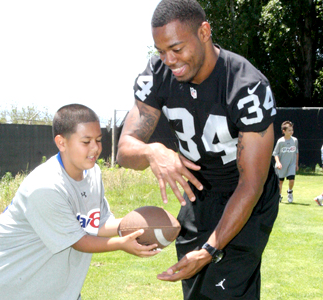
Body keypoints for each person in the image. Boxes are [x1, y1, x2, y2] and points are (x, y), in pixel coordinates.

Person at [116, 0, 279, 299]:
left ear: (204, 32)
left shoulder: (245, 86)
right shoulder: (158, 75)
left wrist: (209, 249)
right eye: (161, 51)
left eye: (177, 49)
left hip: (245, 196)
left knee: (225, 291)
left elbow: (251, 183)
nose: (169, 60)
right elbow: (124, 151)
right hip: (198, 194)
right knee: (196, 292)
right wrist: (153, 151)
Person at [0, 104, 159, 300]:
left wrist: (136, 226)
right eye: (86, 141)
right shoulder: (45, 186)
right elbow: (79, 241)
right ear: (61, 143)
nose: (95, 148)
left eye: (98, 140)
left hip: (58, 292)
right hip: (10, 292)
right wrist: (121, 243)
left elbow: (97, 223)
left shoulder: (93, 173)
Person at [273, 121, 299, 203]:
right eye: (289, 130)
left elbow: (296, 152)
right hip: (282, 165)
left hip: (291, 164)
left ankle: (290, 192)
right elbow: (275, 153)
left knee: (291, 180)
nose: (291, 132)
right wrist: (278, 162)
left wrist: (296, 164)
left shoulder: (295, 140)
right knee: (280, 181)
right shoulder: (280, 141)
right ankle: (279, 195)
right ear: (284, 131)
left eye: (292, 130)